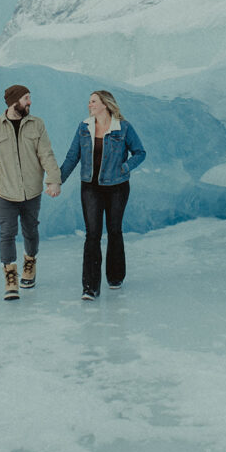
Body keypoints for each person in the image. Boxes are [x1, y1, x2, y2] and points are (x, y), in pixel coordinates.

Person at [60, 90, 146, 300]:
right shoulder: (84, 127)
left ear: (105, 104)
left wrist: (125, 168)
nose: (89, 105)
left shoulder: (123, 127)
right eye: (89, 101)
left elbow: (140, 152)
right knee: (93, 234)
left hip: (117, 187)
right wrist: (57, 179)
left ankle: (115, 276)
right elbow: (73, 156)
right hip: (90, 187)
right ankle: (90, 287)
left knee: (114, 230)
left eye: (93, 101)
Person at [0, 85, 61, 301]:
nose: (29, 102)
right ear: (13, 101)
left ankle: (30, 263)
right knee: (7, 234)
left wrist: (53, 179)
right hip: (4, 193)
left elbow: (46, 154)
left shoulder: (37, 125)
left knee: (31, 231)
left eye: (29, 98)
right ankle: (10, 278)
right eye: (26, 98)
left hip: (32, 191)